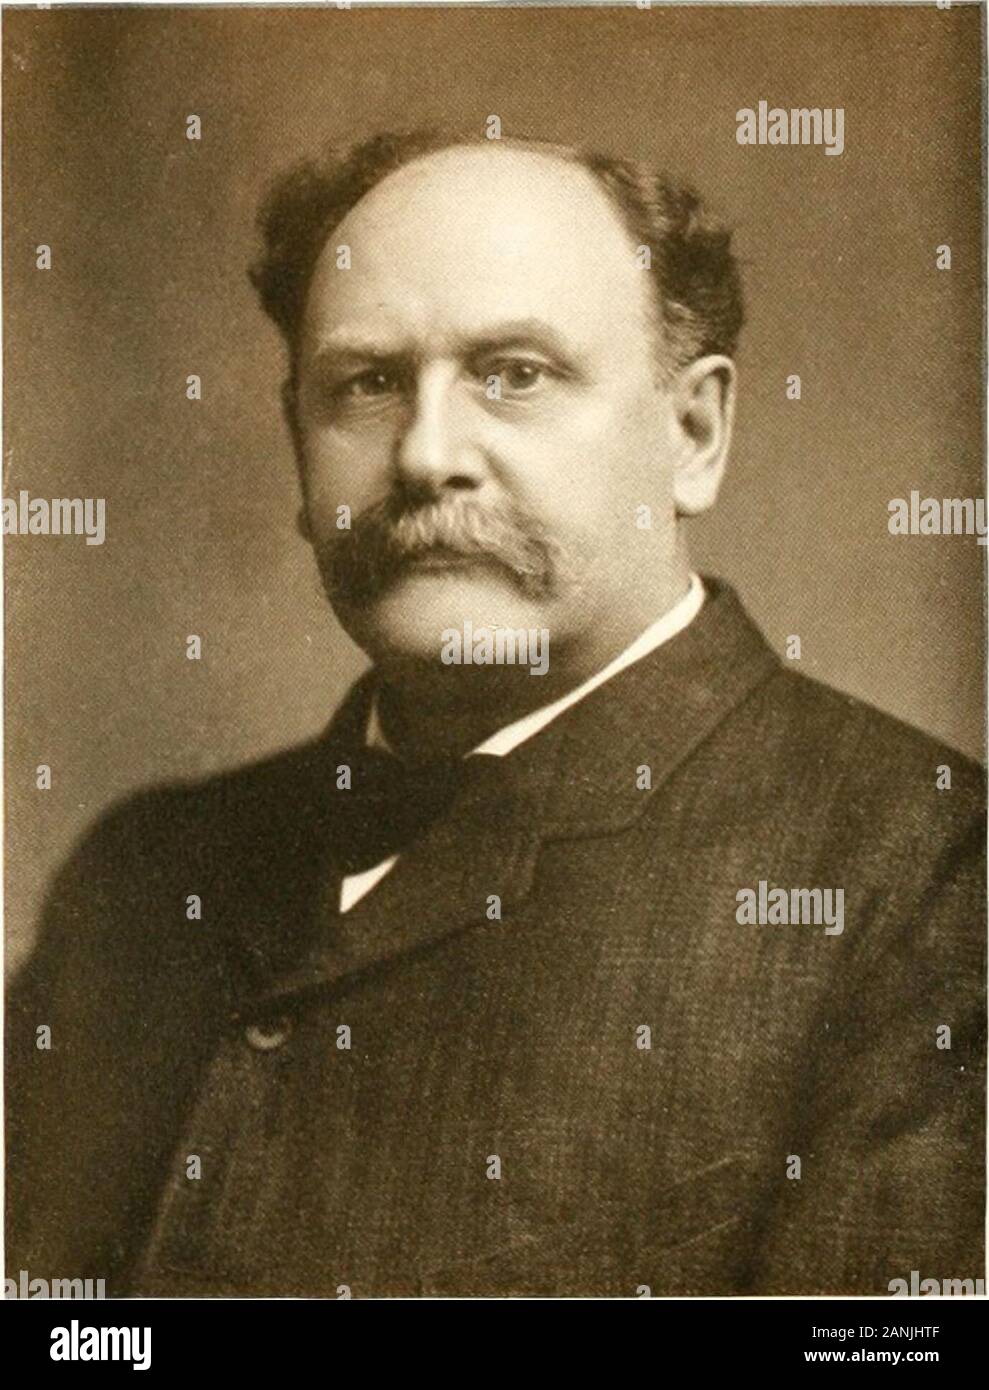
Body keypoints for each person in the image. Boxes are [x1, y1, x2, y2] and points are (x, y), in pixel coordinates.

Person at [7, 129, 984, 1297]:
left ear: (692, 435)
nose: (426, 455)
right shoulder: (139, 873)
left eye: (514, 374)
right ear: (297, 444)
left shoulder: (926, 884)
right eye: (366, 384)